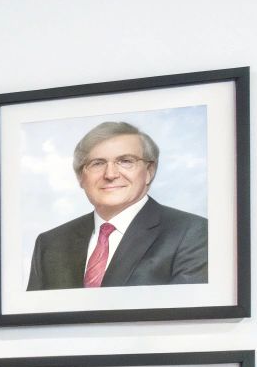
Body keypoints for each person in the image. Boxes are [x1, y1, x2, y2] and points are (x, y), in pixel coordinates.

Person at [26, 121, 208, 290]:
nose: (110, 174)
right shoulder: (51, 243)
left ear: (149, 171)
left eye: (125, 161)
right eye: (97, 163)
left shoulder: (193, 233)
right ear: (80, 177)